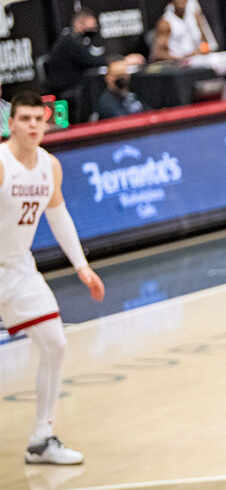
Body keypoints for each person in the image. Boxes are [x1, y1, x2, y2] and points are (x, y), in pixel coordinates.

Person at [1, 91, 105, 464]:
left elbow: (58, 216)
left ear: (46, 122)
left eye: (37, 119)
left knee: (55, 343)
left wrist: (82, 266)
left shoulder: (49, 166)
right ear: (10, 123)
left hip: (17, 268)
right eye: (24, 119)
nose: (32, 126)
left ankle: (42, 438)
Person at [153, 0, 226, 99]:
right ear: (171, 3)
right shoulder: (165, 22)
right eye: (178, 0)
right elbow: (157, 54)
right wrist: (183, 57)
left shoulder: (193, 15)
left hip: (203, 58)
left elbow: (205, 42)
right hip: (186, 63)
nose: (181, 2)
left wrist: (204, 48)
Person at [48, 9, 144, 123]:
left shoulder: (78, 40)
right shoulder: (70, 41)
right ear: (79, 24)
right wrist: (124, 60)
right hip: (67, 90)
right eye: (91, 26)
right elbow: (92, 61)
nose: (94, 29)